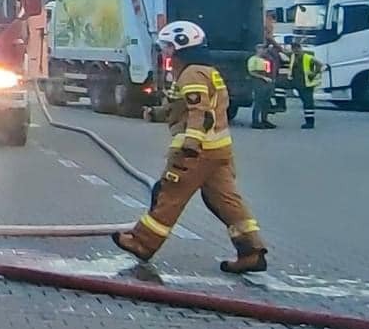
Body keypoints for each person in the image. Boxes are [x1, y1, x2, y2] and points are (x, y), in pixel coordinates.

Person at [114, 21, 269, 275]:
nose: (165, 52)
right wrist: (156, 113)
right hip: (218, 150)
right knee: (226, 201)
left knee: (169, 194)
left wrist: (190, 145)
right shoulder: (203, 71)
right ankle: (251, 251)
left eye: (167, 47)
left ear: (181, 46)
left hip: (198, 151)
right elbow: (184, 105)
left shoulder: (192, 73)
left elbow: (200, 112)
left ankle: (142, 243)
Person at [289, 37, 318, 129]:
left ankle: (310, 122)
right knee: (305, 102)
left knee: (308, 103)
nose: (295, 50)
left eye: (297, 48)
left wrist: (313, 74)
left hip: (307, 84)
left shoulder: (307, 57)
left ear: (300, 48)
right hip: (298, 83)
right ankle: (280, 104)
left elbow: (320, 65)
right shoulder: (293, 57)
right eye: (294, 48)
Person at [246, 43, 276, 129]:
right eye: (262, 49)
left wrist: (271, 79)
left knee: (266, 101)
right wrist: (263, 77)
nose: (264, 50)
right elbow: (251, 72)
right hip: (258, 81)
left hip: (267, 81)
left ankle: (264, 120)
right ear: (257, 49)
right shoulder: (253, 59)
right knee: (258, 102)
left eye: (265, 49)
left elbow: (269, 71)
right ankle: (255, 121)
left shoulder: (265, 60)